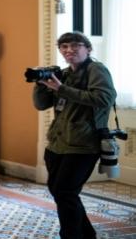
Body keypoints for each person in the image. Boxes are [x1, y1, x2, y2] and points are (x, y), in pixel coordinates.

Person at [32, 31, 116, 239]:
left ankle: (71, 236)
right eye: (64, 47)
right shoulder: (63, 73)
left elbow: (104, 98)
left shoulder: (96, 69)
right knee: (60, 191)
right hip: (58, 143)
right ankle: (86, 234)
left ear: (88, 49)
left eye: (76, 45)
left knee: (65, 192)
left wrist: (62, 89)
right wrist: (40, 84)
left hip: (83, 144)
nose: (69, 50)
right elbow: (41, 105)